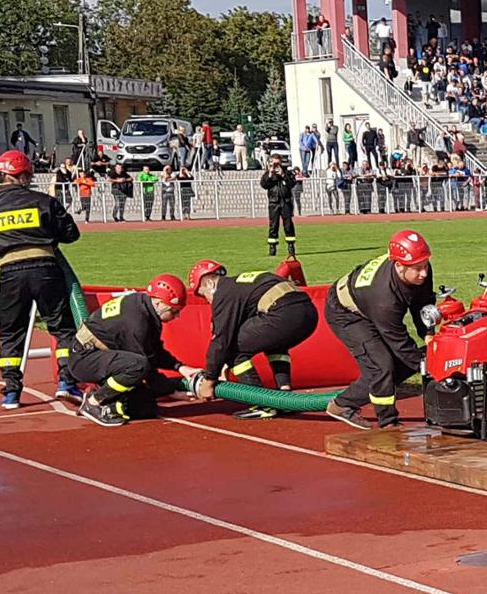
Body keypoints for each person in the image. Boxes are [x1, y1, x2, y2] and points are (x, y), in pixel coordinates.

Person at [0, 150, 83, 409]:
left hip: (9, 273)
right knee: (62, 328)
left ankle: (11, 391)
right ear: (26, 174)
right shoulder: (44, 201)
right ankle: (66, 382)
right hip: (46, 269)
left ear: (3, 175)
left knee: (11, 332)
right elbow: (71, 234)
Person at [322, 231, 436, 429]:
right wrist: (431, 368)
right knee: (381, 366)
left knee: (406, 362)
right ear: (399, 266)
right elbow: (399, 343)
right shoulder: (385, 300)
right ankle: (384, 421)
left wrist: (428, 335)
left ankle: (367, 396)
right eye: (417, 269)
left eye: (425, 265)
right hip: (345, 312)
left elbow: (422, 304)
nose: (424, 273)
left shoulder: (420, 268)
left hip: (366, 302)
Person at [187, 258, 320, 419]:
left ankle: (261, 403)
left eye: (203, 294)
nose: (207, 301)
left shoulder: (223, 293)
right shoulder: (240, 286)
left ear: (209, 283)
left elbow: (221, 341)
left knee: (233, 350)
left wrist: (209, 380)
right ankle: (285, 394)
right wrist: (223, 366)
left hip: (284, 312)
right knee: (275, 343)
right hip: (308, 312)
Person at [67, 275, 197, 427]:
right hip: (85, 358)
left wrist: (180, 367)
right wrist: (172, 392)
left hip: (100, 355)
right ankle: (94, 402)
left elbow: (154, 350)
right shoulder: (137, 323)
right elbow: (146, 366)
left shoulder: (143, 307)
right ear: (159, 303)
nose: (177, 316)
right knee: (138, 366)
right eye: (174, 311)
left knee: (146, 407)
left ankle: (112, 400)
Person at [262, 155, 298, 255]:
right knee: (273, 225)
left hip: (285, 202)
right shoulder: (268, 174)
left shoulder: (288, 173)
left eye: (278, 163)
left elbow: (292, 184)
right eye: (274, 163)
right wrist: (270, 174)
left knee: (288, 224)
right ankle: (272, 248)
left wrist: (283, 175)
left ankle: (291, 246)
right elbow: (264, 185)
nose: (276, 165)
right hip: (274, 202)